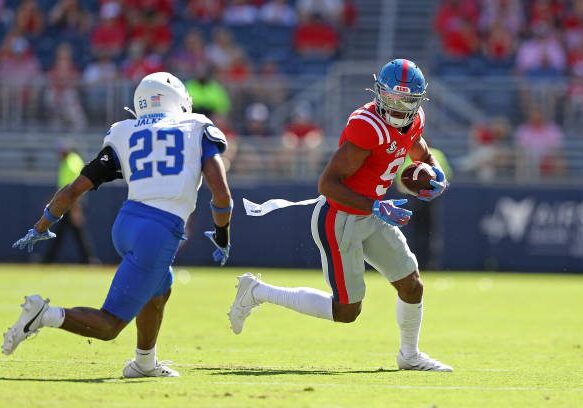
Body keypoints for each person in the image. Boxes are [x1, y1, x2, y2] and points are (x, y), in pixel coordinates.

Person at [4, 72, 233, 378]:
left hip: (127, 224)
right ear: (179, 100)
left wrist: (43, 224)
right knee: (109, 324)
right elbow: (221, 195)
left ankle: (144, 363)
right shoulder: (196, 126)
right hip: (158, 230)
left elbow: (73, 189)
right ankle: (43, 315)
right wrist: (222, 232)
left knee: (160, 288)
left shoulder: (125, 132)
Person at [229, 59, 453, 372]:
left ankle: (410, 355)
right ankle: (257, 292)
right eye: (393, 99)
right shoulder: (367, 126)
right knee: (347, 312)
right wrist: (375, 205)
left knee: (412, 284)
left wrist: (435, 170)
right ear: (379, 94)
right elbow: (327, 184)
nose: (400, 108)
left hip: (372, 213)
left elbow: (417, 147)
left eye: (407, 101)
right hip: (341, 217)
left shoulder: (414, 122)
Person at [43, 141, 99, 264]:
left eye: (60, 152)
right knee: (69, 232)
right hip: (68, 203)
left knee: (72, 232)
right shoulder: (68, 161)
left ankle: (88, 259)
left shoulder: (71, 163)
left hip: (72, 203)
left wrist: (76, 209)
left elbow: (74, 189)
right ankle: (88, 259)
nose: (59, 155)